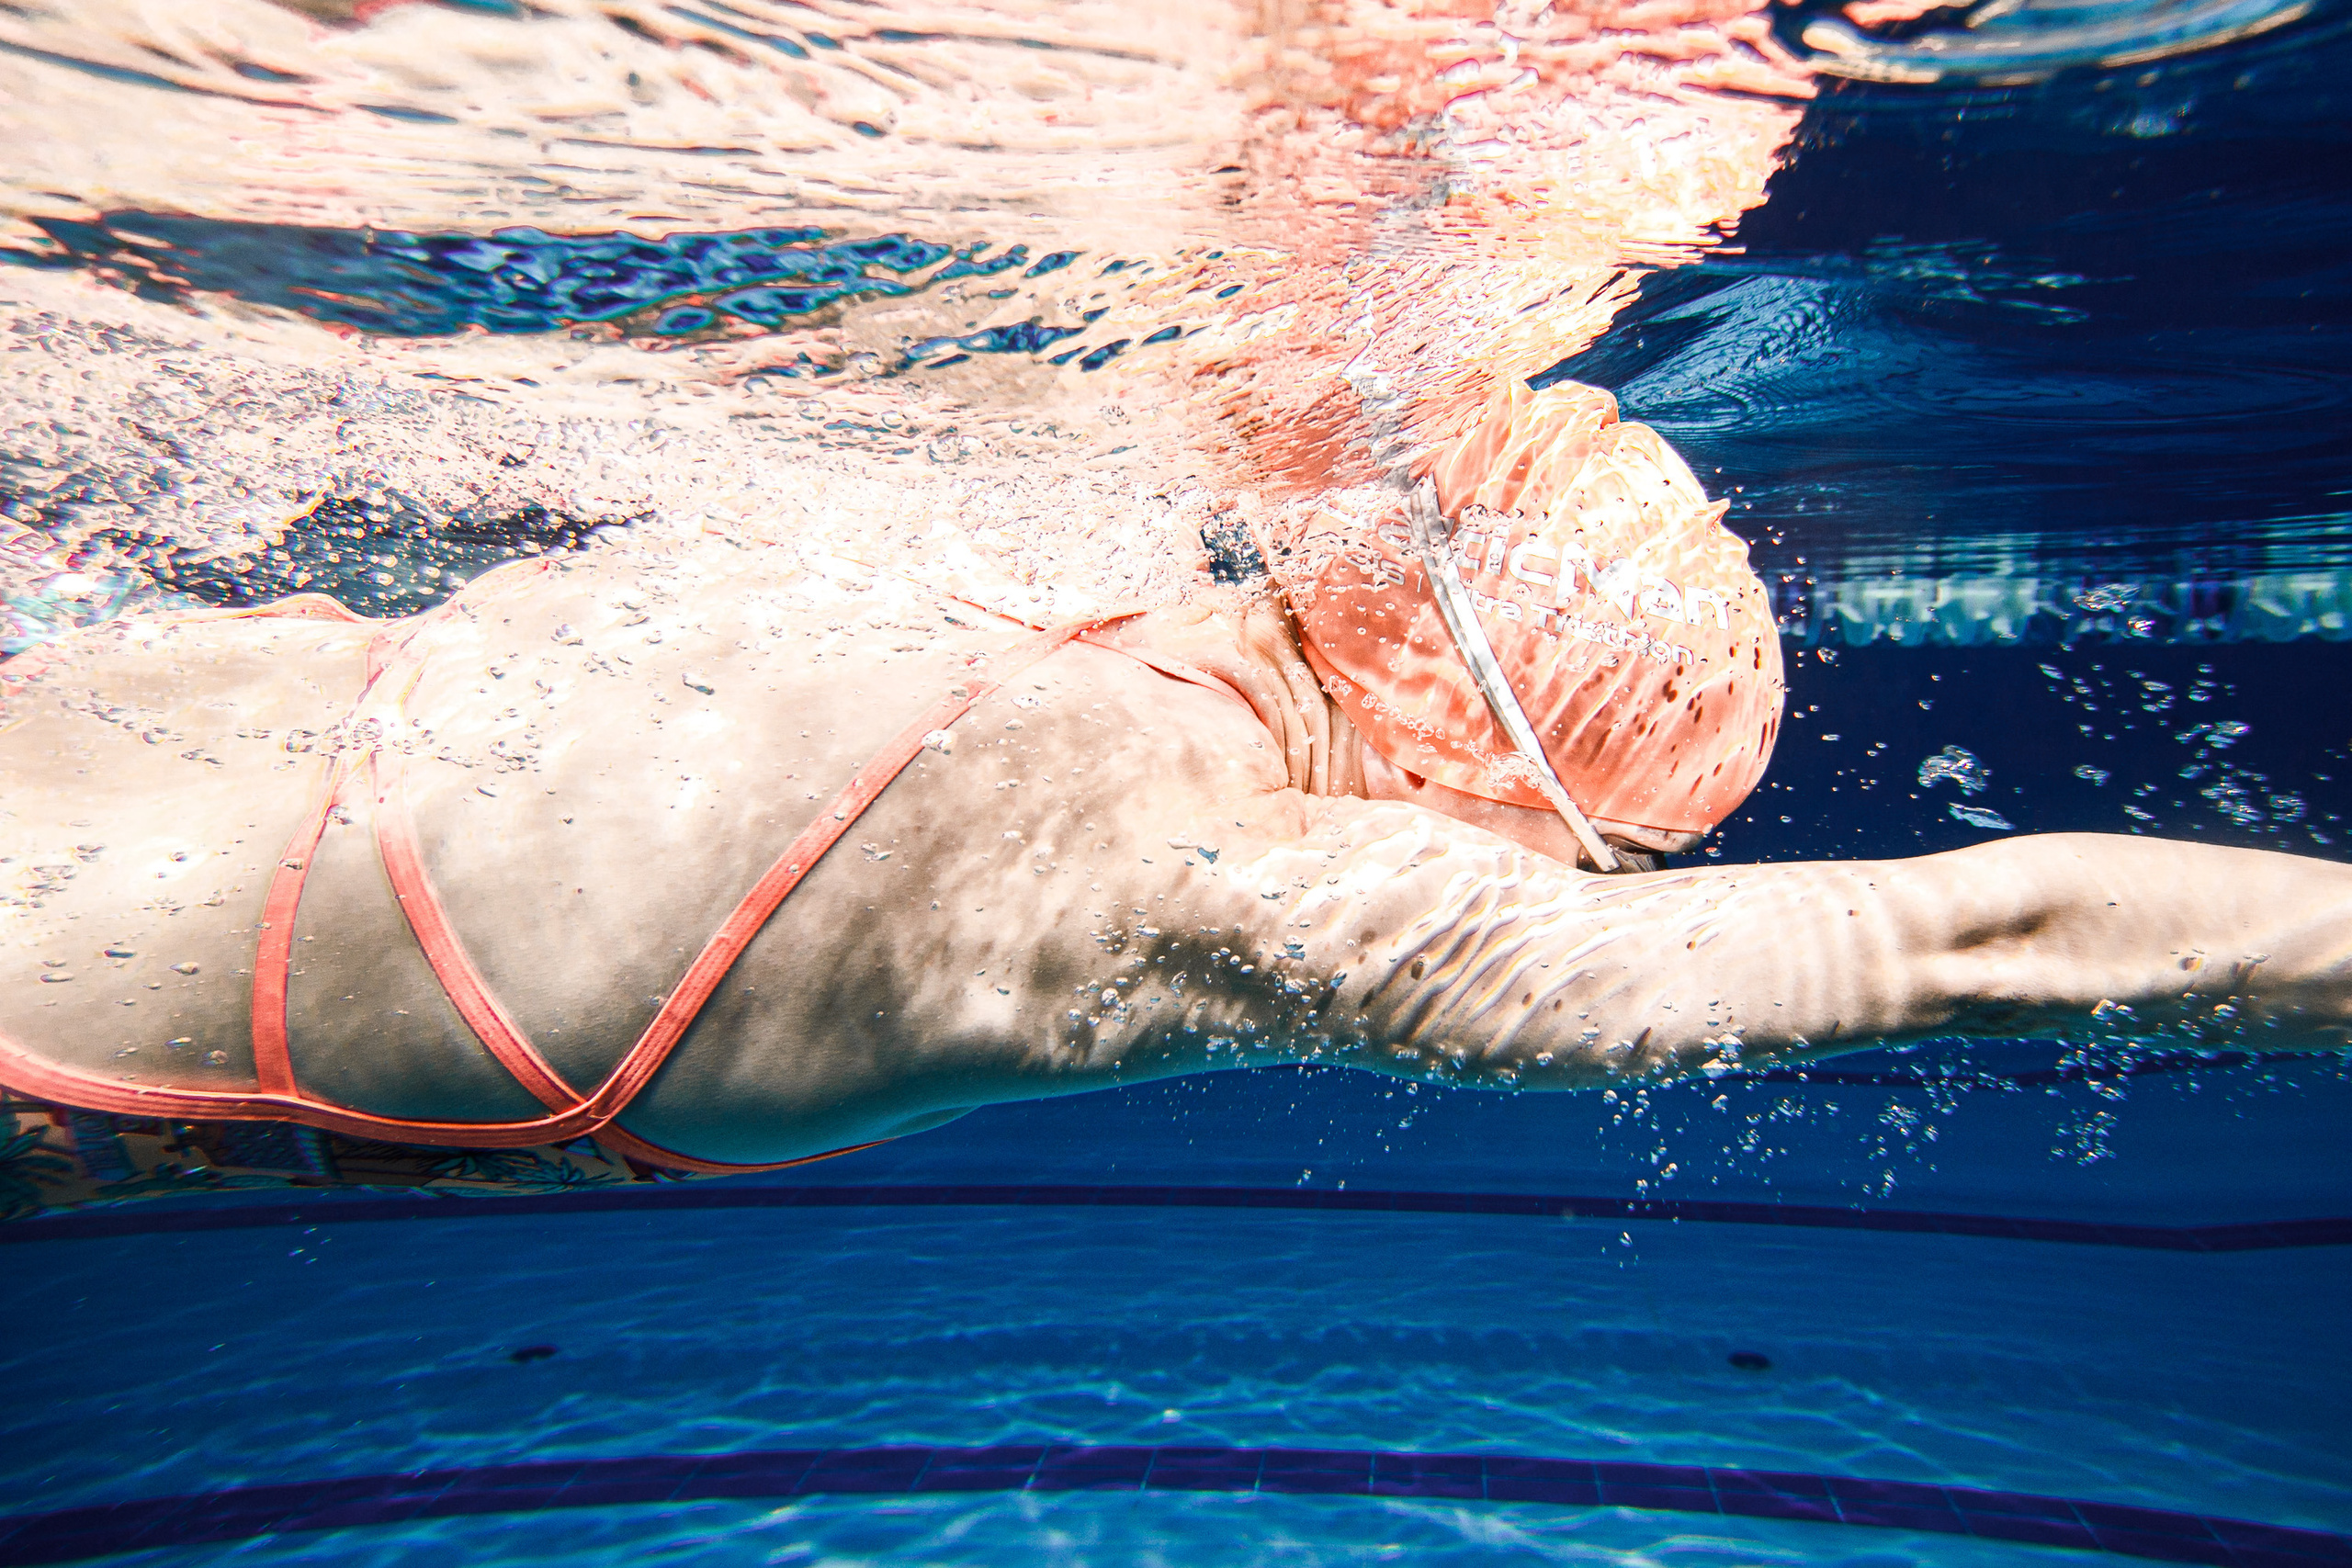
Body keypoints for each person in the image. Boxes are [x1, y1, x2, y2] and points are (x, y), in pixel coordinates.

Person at [4, 381, 2347, 1212]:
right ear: (1505, 782)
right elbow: (1978, 939)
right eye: (1607, 858)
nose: (1539, 889)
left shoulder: (1033, 533)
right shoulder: (1205, 879)